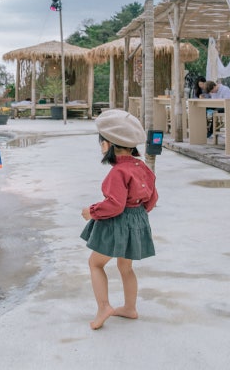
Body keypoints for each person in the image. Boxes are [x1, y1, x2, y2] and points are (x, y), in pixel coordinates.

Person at [80, 109, 158, 330]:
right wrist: (138, 217)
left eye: (101, 143)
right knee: (126, 266)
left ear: (108, 145)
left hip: (118, 222)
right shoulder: (142, 167)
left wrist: (92, 211)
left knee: (95, 263)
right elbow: (152, 198)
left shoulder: (118, 172)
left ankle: (104, 307)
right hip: (137, 219)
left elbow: (115, 205)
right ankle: (130, 308)